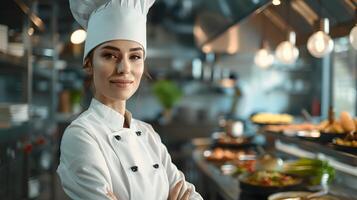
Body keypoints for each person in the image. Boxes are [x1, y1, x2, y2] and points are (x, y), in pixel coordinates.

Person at [57, 0, 203, 199]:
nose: (124, 68)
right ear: (89, 64)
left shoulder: (148, 134)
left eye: (135, 57)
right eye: (109, 55)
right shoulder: (81, 136)